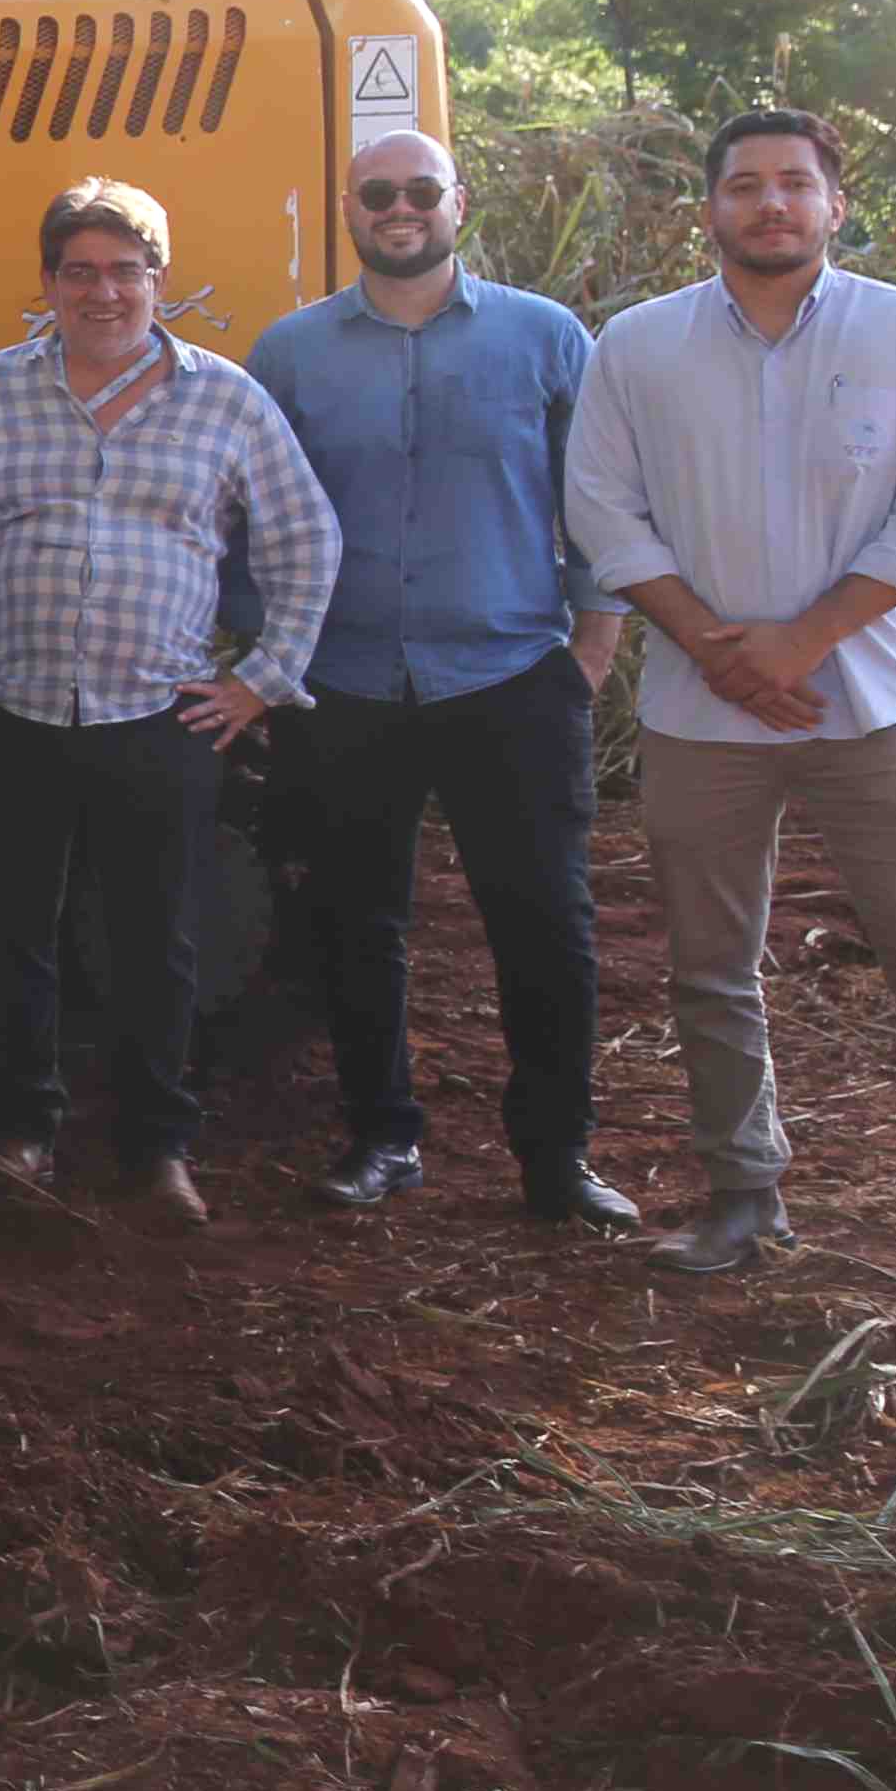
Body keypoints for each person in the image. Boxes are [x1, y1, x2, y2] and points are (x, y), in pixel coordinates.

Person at [560, 110, 896, 1300]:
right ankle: (742, 1198)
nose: (771, 204)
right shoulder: (639, 346)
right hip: (700, 715)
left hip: (873, 705)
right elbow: (604, 510)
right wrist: (716, 652)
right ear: (709, 208)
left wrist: (799, 640)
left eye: (795, 186)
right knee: (712, 967)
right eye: (746, 186)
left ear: (835, 205)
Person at [0, 178, 342, 1224]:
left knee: (158, 941)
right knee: (9, 935)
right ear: (47, 284)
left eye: (125, 272)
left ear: (158, 282)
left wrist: (258, 682)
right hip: (13, 717)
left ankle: (158, 1149)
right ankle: (21, 1134)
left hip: (160, 723)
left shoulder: (226, 400)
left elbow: (306, 543)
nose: (103, 292)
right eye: (80, 272)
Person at [244, 130, 638, 1230]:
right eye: (379, 194)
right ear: (349, 209)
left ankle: (556, 1161)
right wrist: (264, 648)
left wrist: (590, 653)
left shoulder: (549, 339)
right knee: (355, 924)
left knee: (544, 926)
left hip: (512, 677)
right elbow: (250, 512)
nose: (400, 209)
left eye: (422, 191)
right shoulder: (291, 353)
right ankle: (382, 1138)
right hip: (345, 685)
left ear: (459, 202)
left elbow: (605, 503)